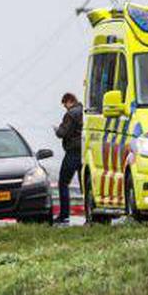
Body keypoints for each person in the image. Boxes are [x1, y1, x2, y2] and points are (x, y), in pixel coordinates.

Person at [55, 91, 84, 223]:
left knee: (63, 183)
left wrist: (57, 129)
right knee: (85, 183)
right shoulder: (84, 111)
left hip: (73, 152)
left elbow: (62, 133)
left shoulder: (71, 114)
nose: (65, 107)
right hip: (84, 151)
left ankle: (64, 215)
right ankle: (90, 215)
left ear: (69, 101)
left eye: (65, 104)